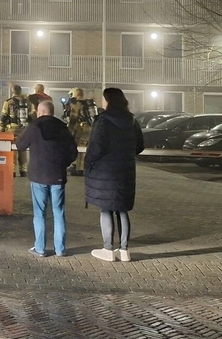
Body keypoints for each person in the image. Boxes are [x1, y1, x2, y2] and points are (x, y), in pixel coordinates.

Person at [84, 87, 145, 263]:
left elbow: (96, 147)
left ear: (108, 100)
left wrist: (89, 163)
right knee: (122, 209)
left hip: (106, 172)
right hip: (125, 171)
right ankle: (124, 250)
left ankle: (108, 249)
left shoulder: (103, 121)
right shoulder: (132, 121)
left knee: (106, 208)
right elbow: (139, 146)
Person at [16, 100, 77, 257]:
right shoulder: (63, 127)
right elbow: (73, 151)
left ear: (40, 111)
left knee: (39, 213)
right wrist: (63, 163)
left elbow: (20, 145)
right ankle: (60, 249)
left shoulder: (34, 126)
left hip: (38, 176)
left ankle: (40, 248)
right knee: (59, 212)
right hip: (57, 175)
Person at [0, 84, 31, 176]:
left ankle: (12, 169)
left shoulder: (8, 102)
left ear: (12, 91)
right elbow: (30, 116)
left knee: (12, 149)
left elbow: (3, 117)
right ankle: (23, 170)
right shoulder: (26, 102)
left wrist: (1, 129)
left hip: (12, 129)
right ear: (20, 91)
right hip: (24, 129)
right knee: (23, 149)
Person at [66, 88, 97, 176]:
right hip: (91, 127)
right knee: (85, 146)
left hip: (82, 127)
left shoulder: (77, 104)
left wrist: (69, 129)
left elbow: (73, 118)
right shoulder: (89, 103)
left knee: (80, 147)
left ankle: (80, 169)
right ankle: (79, 165)